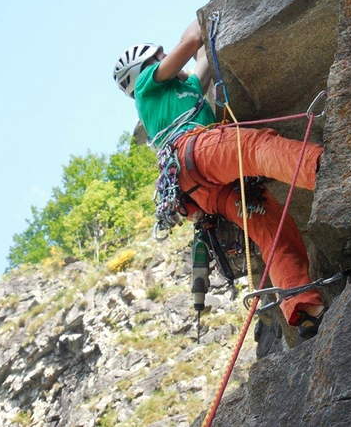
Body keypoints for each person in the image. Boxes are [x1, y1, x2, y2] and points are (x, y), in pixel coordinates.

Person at [113, 19, 326, 339]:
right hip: (197, 151)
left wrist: (203, 40)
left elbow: (201, 62)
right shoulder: (147, 85)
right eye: (159, 56)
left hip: (205, 189)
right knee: (257, 147)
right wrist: (200, 20)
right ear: (144, 67)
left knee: (270, 225)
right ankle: (328, 168)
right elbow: (193, 40)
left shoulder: (185, 89)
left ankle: (302, 307)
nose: (165, 57)